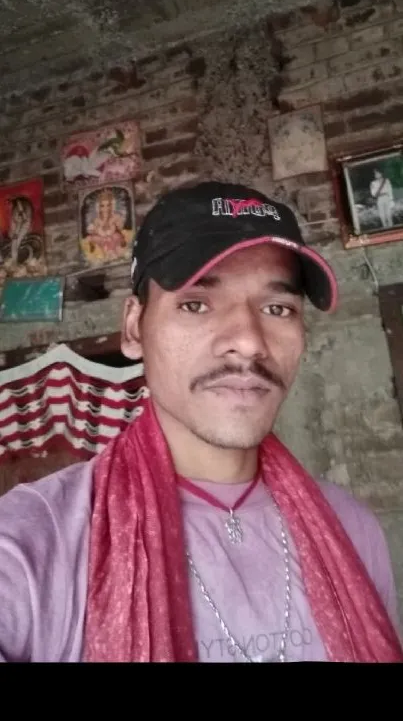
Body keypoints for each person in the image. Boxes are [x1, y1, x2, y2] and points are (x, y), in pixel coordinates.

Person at [0, 180, 402, 664]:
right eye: (196, 304)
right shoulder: (32, 544)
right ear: (133, 329)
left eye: (277, 308)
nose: (249, 342)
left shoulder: (352, 529)